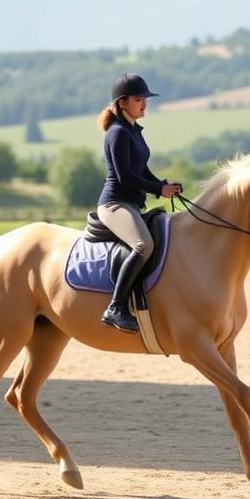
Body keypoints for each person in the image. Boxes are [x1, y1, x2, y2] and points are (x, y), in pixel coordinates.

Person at [96, 73, 182, 333]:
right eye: (138, 99)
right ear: (123, 103)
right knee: (143, 245)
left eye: (145, 99)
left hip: (131, 204)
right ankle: (115, 306)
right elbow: (125, 176)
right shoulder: (118, 133)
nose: (144, 103)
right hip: (114, 204)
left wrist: (164, 186)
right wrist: (159, 189)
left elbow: (142, 171)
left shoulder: (133, 131)